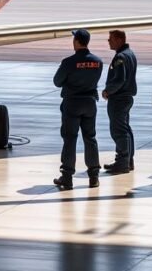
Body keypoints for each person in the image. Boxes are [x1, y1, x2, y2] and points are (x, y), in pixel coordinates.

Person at [52, 29, 103, 190]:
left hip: (72, 103)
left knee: (70, 139)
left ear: (76, 41)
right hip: (89, 103)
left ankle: (67, 177)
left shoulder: (68, 62)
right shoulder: (98, 62)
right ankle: (93, 176)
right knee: (90, 138)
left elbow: (57, 81)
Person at [102, 29, 137, 175]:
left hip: (119, 98)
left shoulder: (121, 57)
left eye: (111, 39)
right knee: (125, 129)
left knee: (119, 130)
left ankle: (123, 162)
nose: (108, 41)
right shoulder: (130, 54)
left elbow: (119, 79)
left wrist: (108, 91)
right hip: (126, 98)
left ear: (119, 40)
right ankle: (127, 160)